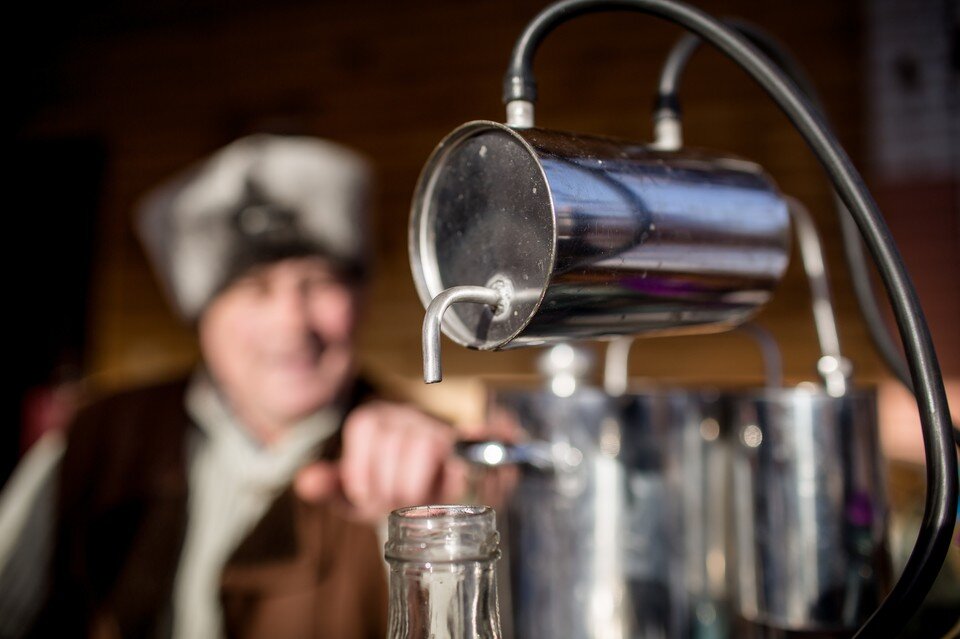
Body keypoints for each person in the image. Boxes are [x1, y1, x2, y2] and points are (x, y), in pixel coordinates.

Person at [0, 134, 468, 638]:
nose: (291, 323)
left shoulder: (421, 462)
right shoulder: (94, 442)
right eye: (254, 289)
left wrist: (442, 504)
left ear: (362, 298)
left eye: (319, 282)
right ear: (200, 313)